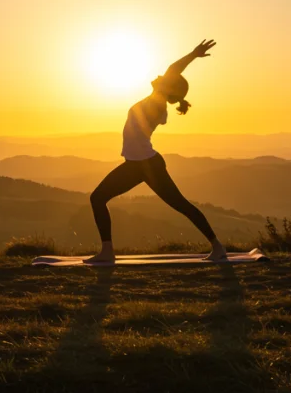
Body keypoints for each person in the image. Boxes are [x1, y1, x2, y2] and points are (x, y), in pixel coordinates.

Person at [85, 39, 227, 263]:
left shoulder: (157, 101)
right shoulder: (157, 102)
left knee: (180, 205)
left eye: (164, 80)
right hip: (139, 164)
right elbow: (170, 74)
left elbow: (172, 69)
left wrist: (193, 54)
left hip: (145, 165)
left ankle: (217, 248)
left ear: (168, 87)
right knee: (99, 198)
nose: (159, 76)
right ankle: (107, 251)